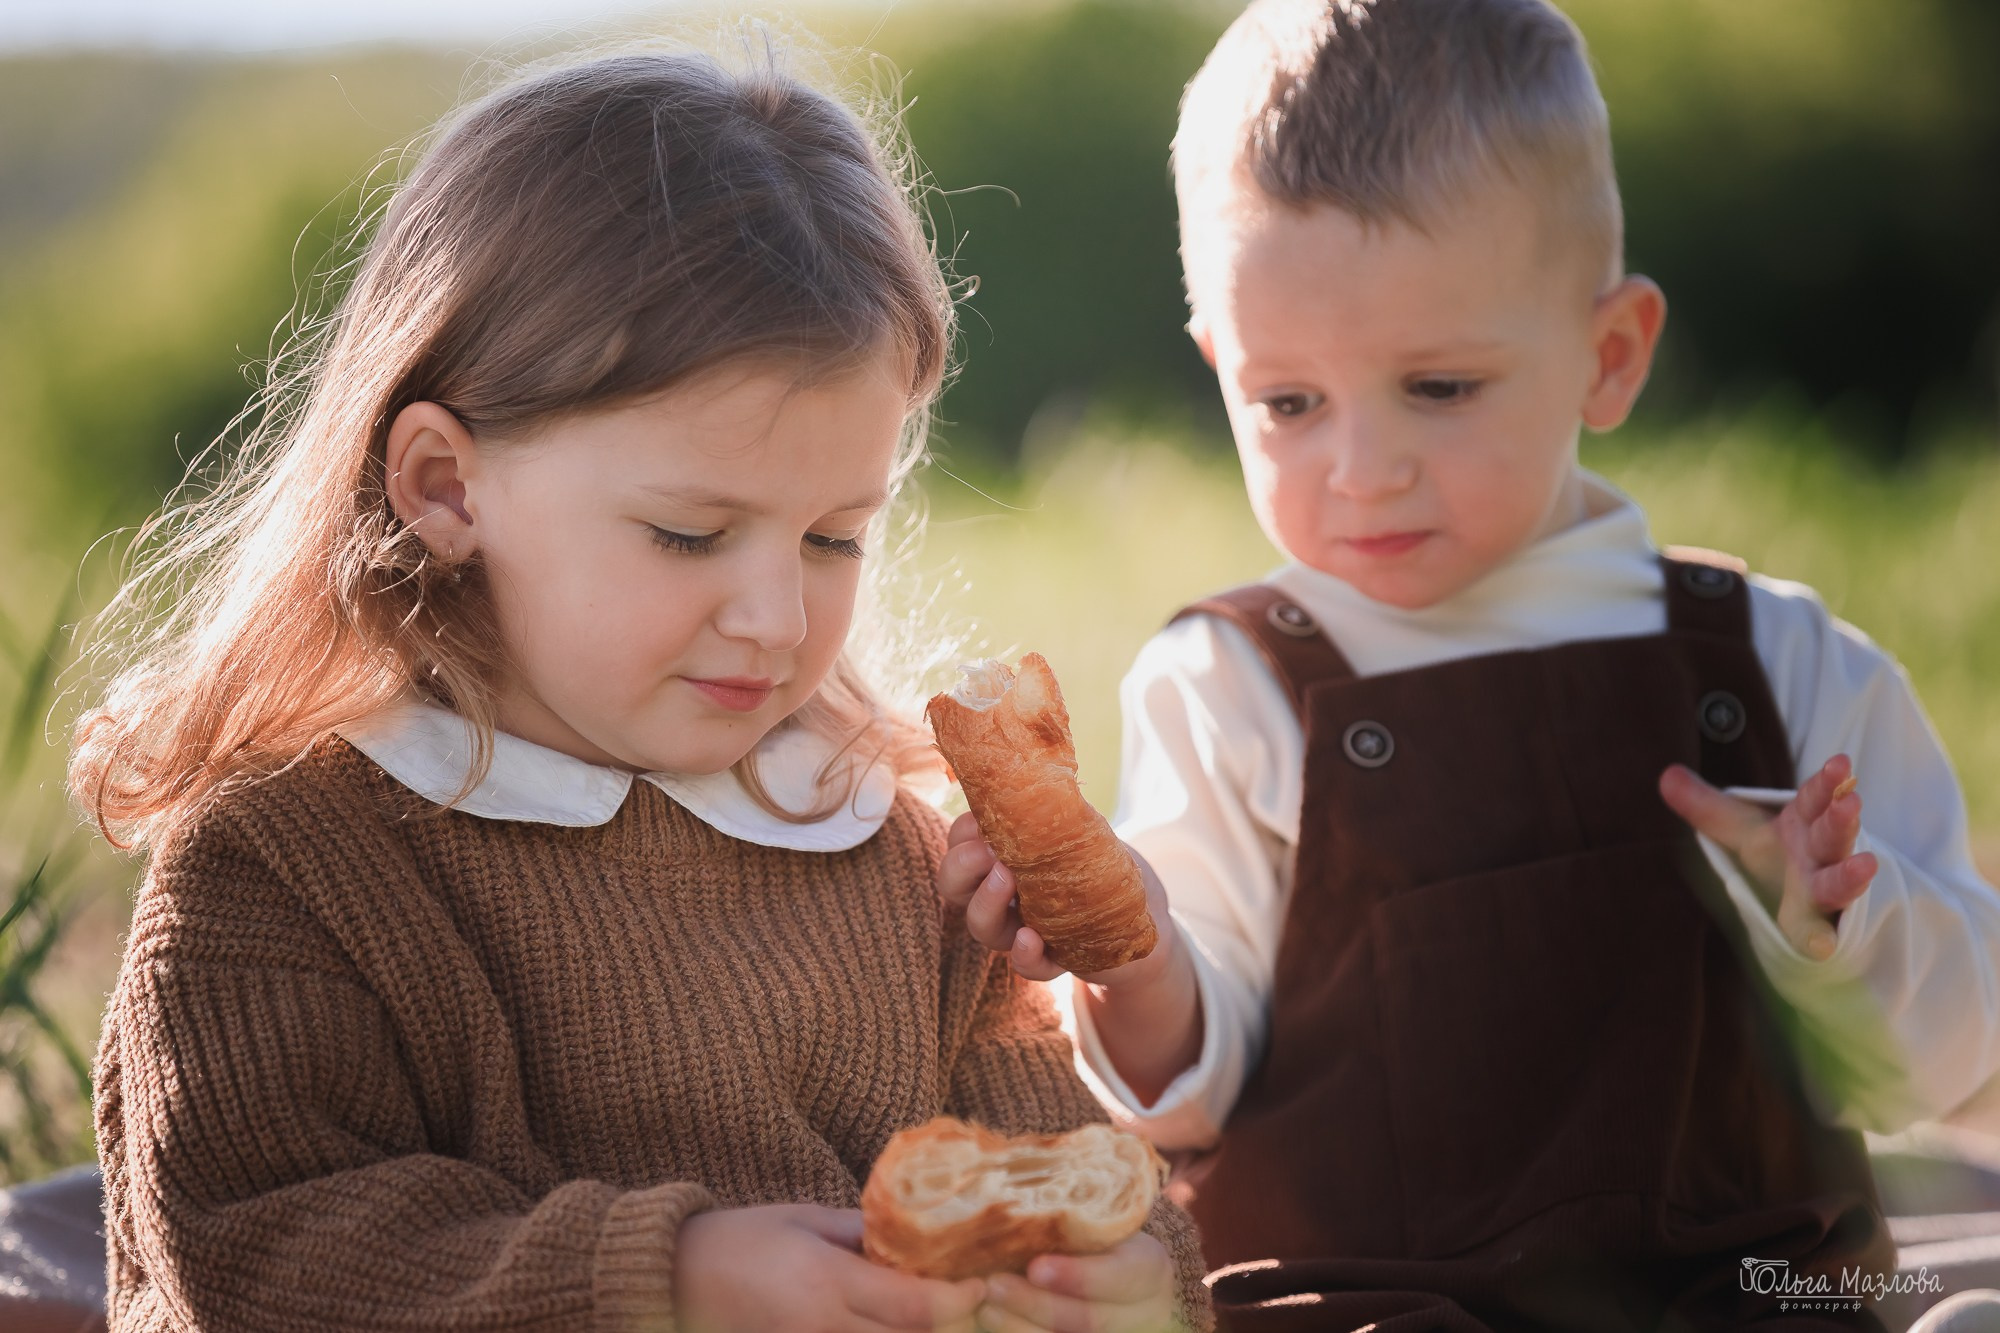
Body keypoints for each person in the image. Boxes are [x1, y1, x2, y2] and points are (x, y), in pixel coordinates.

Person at [72, 47, 1212, 1333]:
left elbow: (1057, 1171)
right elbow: (258, 1251)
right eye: (687, 533)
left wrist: (1126, 1286)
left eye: (833, 536)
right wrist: (668, 1283)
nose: (779, 619)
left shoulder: (878, 842)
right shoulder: (291, 861)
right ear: (448, 487)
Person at [937, 1, 2000, 1327]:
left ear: (1607, 355)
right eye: (1289, 403)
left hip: (1762, 1287)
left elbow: (1948, 1066)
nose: (1361, 468)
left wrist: (1841, 925)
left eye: (1437, 387)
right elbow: (1192, 1090)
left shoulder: (1777, 664)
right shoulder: (1235, 682)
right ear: (1220, 366)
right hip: (1366, 1301)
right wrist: (1132, 953)